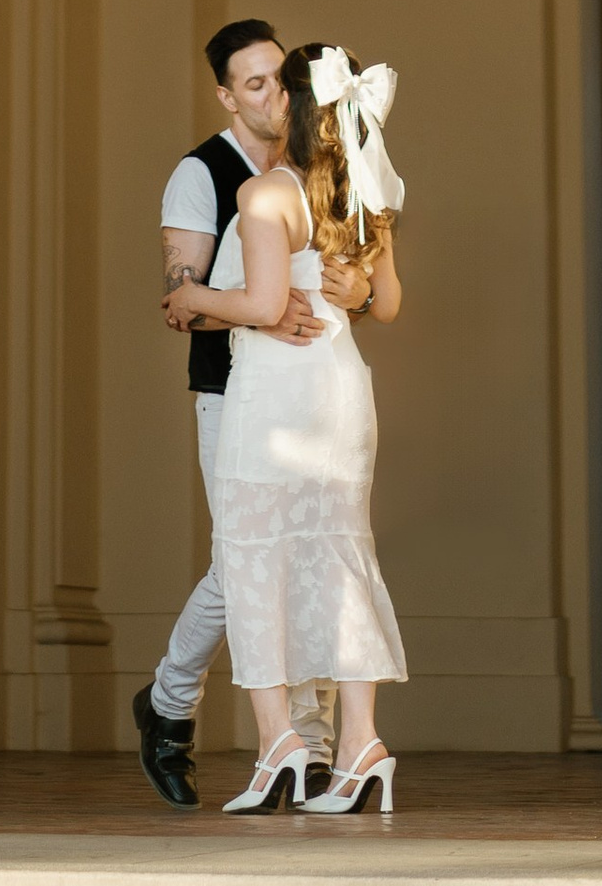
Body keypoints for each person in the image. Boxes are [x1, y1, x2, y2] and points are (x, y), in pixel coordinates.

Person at [165, 39, 406, 814]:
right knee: (339, 556)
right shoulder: (363, 193)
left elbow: (266, 307)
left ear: (294, 111)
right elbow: (389, 304)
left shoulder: (267, 193)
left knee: (253, 553)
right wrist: (358, 288)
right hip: (341, 389)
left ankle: (280, 744)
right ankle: (361, 745)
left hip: (273, 394)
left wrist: (198, 298)